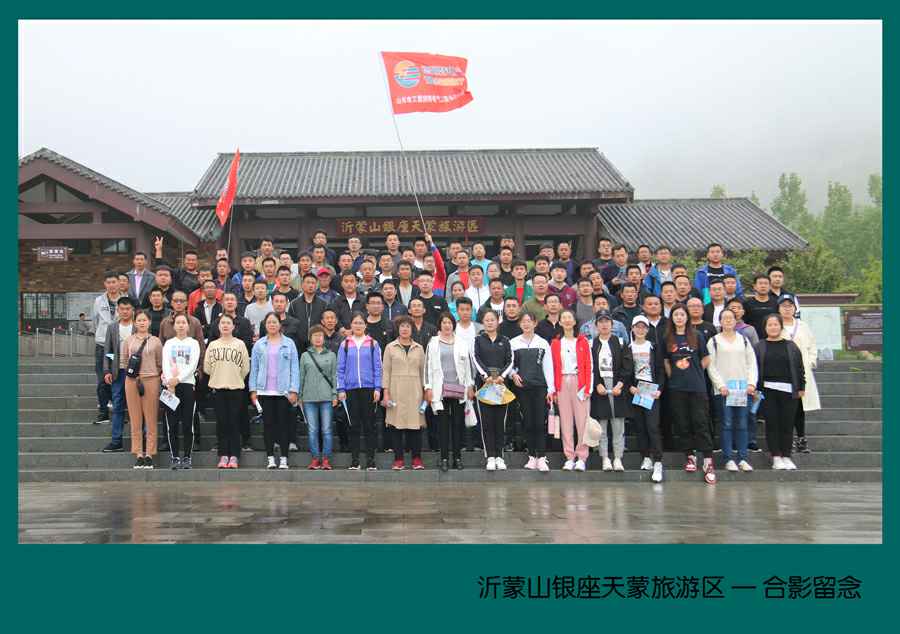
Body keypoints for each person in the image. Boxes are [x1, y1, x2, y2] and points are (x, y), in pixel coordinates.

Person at [664, 304, 716, 484]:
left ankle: (708, 460)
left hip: (697, 387)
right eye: (676, 315)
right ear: (672, 318)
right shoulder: (668, 338)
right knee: (682, 423)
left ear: (687, 317)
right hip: (677, 388)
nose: (679, 317)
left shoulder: (697, 335)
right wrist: (674, 376)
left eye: (682, 314)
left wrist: (695, 371)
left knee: (701, 422)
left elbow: (706, 358)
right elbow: (666, 362)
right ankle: (690, 456)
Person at [706, 309, 758, 472]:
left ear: (736, 321)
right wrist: (720, 385)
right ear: (720, 321)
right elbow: (711, 366)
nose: (728, 320)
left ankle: (742, 458)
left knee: (742, 423)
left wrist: (751, 383)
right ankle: (728, 458)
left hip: (742, 390)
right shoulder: (714, 341)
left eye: (731, 318)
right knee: (726, 423)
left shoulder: (744, 340)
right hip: (724, 391)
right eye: (725, 318)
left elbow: (752, 363)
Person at [755, 314, 806, 471]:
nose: (773, 327)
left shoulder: (791, 346)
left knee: (787, 424)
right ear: (765, 328)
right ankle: (776, 456)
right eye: (769, 325)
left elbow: (799, 367)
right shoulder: (759, 346)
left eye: (776, 324)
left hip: (789, 391)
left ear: (781, 326)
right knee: (772, 424)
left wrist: (801, 387)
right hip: (767, 391)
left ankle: (787, 456)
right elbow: (754, 369)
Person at [250, 313, 300, 470]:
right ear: (265, 325)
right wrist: (253, 390)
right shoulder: (259, 344)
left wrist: (294, 390)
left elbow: (295, 368)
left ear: (280, 324)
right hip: (264, 391)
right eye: (269, 322)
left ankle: (284, 459)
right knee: (268, 426)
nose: (272, 325)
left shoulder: (289, 343)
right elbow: (254, 368)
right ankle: (270, 458)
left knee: (284, 425)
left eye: (274, 322)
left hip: (283, 391)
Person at [425, 312, 474, 471]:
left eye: (450, 322)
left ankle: (457, 458)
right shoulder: (433, 343)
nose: (447, 325)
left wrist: (470, 385)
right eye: (444, 322)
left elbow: (468, 367)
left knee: (457, 425)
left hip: (459, 389)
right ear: (439, 325)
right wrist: (428, 387)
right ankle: (444, 458)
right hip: (440, 390)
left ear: (454, 325)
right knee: (443, 426)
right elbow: (427, 367)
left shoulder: (462, 343)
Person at [208, 292, 255, 453]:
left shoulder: (244, 322)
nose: (229, 302)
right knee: (222, 415)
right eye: (226, 299)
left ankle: (245, 440)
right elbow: (211, 345)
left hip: (239, 372)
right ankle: (221, 443)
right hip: (220, 373)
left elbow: (247, 345)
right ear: (222, 302)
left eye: (232, 299)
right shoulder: (216, 323)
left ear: (237, 302)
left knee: (241, 410)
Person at [337, 313, 383, 470]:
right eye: (355, 323)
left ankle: (371, 460)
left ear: (365, 325)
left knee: (369, 425)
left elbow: (378, 368)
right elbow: (340, 369)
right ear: (351, 325)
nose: (358, 325)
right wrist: (341, 388)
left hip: (369, 389)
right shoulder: (345, 344)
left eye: (361, 323)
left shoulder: (373, 344)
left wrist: (377, 388)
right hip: (350, 390)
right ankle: (355, 460)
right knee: (353, 425)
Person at [510, 312, 554, 472]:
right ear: (520, 324)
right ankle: (531, 457)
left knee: (540, 422)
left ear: (535, 323)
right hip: (523, 389)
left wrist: (551, 389)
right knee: (527, 422)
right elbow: (509, 364)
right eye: (523, 321)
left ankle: (541, 457)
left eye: (529, 321)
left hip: (540, 387)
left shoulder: (542, 343)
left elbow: (548, 367)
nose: (526, 324)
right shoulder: (513, 343)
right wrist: (513, 374)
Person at [382, 316, 427, 470]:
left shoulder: (419, 348)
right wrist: (386, 392)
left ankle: (417, 459)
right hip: (396, 391)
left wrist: (425, 391)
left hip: (415, 391)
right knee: (396, 426)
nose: (405, 329)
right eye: (402, 326)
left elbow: (423, 373)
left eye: (408, 326)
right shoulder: (390, 347)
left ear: (412, 329)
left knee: (415, 426)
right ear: (398, 329)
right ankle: (398, 459)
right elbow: (386, 371)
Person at [589, 310, 631, 472]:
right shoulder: (592, 344)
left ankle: (618, 458)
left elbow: (627, 365)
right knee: (602, 425)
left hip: (617, 386)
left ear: (612, 324)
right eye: (601, 321)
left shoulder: (619, 342)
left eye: (607, 321)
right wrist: (597, 384)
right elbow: (590, 367)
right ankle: (605, 457)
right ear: (596, 325)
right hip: (600, 387)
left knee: (618, 424)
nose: (604, 324)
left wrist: (620, 384)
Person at [552, 309, 594, 471]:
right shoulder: (556, 343)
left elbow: (589, 365)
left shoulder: (583, 341)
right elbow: (553, 367)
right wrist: (554, 390)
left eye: (570, 317)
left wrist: (588, 387)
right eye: (564, 318)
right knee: (566, 421)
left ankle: (582, 457)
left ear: (575, 321)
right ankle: (569, 456)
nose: (567, 320)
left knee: (582, 421)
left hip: (579, 382)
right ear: (560, 322)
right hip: (562, 382)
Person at [472, 310, 513, 470]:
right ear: (483, 322)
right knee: (487, 422)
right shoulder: (478, 340)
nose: (489, 322)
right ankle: (490, 456)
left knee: (500, 422)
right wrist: (486, 375)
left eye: (492, 320)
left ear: (498, 321)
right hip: (484, 385)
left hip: (501, 385)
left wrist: (502, 376)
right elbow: (475, 358)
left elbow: (510, 360)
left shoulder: (505, 340)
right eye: (487, 320)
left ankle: (500, 457)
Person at [122, 311, 163, 469]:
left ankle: (150, 454)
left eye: (144, 320)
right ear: (135, 322)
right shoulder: (129, 340)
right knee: (135, 419)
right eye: (139, 320)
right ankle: (138, 453)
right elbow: (124, 360)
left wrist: (152, 374)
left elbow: (159, 362)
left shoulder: (156, 341)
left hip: (151, 380)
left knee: (151, 418)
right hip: (132, 381)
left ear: (149, 322)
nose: (141, 323)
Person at [778, 296, 819, 454]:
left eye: (790, 306)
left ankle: (801, 439)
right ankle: (786, 440)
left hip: (801, 373)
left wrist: (810, 362)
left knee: (800, 408)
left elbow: (812, 346)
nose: (787, 309)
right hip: (782, 373)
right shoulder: (776, 325)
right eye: (784, 306)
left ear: (795, 308)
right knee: (785, 407)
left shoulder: (803, 326)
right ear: (778, 308)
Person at [627, 315, 665, 482]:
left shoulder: (653, 347)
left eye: (643, 327)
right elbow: (625, 370)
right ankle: (646, 457)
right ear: (632, 329)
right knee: (640, 426)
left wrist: (660, 389)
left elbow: (660, 369)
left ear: (647, 330)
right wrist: (630, 386)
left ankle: (658, 461)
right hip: (637, 390)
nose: (640, 330)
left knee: (652, 426)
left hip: (651, 390)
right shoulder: (628, 348)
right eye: (637, 327)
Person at [161, 313, 201, 469]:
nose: (181, 325)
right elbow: (165, 363)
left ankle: (187, 457)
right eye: (178, 322)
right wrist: (170, 382)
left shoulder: (194, 343)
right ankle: (175, 456)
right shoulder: (169, 343)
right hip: (171, 387)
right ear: (174, 326)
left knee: (187, 423)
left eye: (184, 322)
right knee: (172, 424)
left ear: (188, 325)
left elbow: (193, 365)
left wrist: (178, 379)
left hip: (187, 385)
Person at [299, 325, 338, 470]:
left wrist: (334, 394)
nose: (318, 338)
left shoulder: (331, 355)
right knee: (312, 430)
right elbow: (301, 376)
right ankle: (315, 458)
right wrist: (300, 395)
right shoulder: (305, 356)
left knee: (327, 429)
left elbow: (334, 376)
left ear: (324, 338)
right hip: (309, 398)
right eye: (315, 336)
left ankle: (326, 459)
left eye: (320, 335)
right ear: (310, 338)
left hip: (327, 397)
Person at [100, 297, 135, 452]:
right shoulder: (113, 327)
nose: (125, 312)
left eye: (128, 309)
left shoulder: (138, 326)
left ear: (132, 310)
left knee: (136, 406)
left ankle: (140, 439)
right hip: (117, 373)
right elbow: (108, 351)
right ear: (118, 310)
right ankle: (116, 440)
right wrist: (107, 370)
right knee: (118, 405)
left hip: (135, 373)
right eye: (122, 309)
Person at [92, 271, 121, 424]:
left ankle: (118, 411)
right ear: (105, 284)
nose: (111, 285)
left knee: (118, 379)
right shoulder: (98, 301)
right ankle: (103, 412)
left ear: (119, 283)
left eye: (114, 282)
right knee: (102, 378)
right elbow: (95, 321)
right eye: (108, 282)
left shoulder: (125, 300)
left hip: (118, 347)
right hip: (103, 346)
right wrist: (102, 335)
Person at [287, 273, 327, 352]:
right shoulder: (294, 304)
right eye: (308, 282)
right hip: (298, 344)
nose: (310, 285)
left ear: (316, 286)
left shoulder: (323, 304)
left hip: (317, 343)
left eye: (313, 283)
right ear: (302, 285)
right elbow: (290, 324)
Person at [744, 274, 780, 339]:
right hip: (753, 340)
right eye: (760, 283)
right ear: (754, 286)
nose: (763, 286)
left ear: (770, 286)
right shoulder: (747, 304)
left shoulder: (776, 303)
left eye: (766, 283)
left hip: (773, 339)